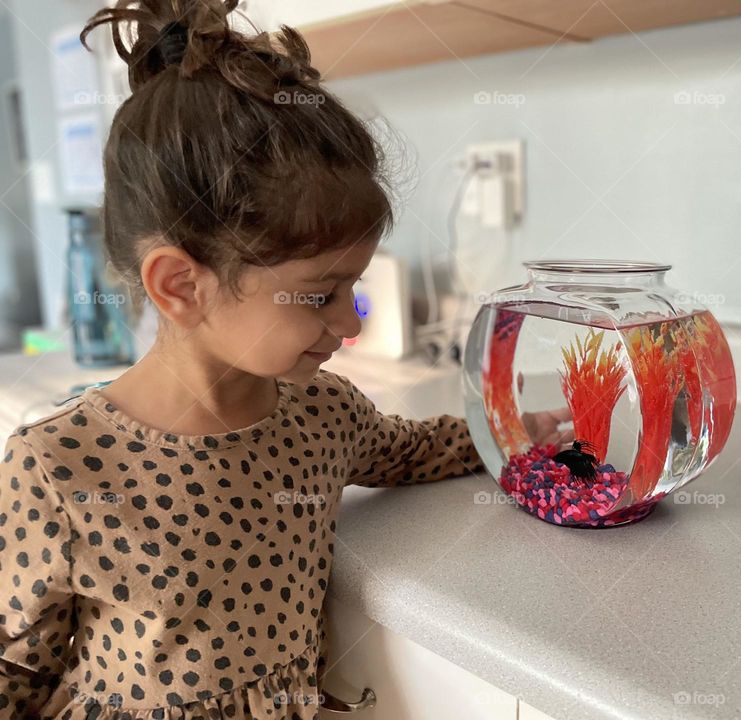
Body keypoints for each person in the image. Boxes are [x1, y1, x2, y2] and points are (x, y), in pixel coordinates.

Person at [0, 1, 568, 716]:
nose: (349, 320)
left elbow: (409, 451)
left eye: (353, 287)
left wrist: (516, 434)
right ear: (182, 286)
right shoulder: (59, 469)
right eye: (322, 293)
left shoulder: (323, 417)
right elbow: (13, 674)